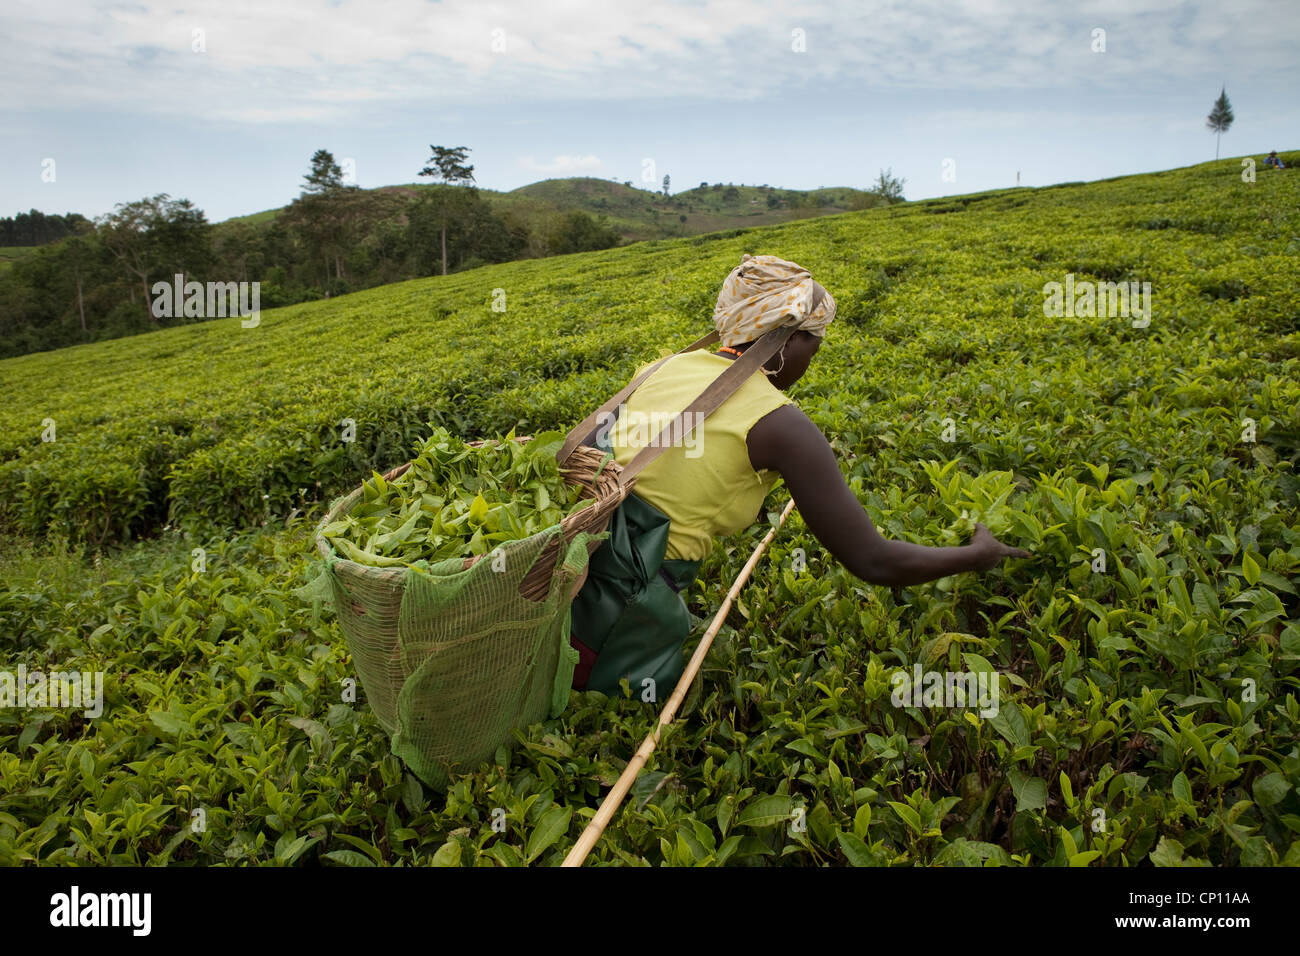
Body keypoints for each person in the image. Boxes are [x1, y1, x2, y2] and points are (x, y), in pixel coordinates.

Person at [567, 253, 1029, 696]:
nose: (813, 359)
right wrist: (976, 555)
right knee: (607, 725)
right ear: (790, 341)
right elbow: (874, 560)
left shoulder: (662, 367)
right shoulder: (781, 423)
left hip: (565, 577)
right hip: (612, 623)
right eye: (815, 344)